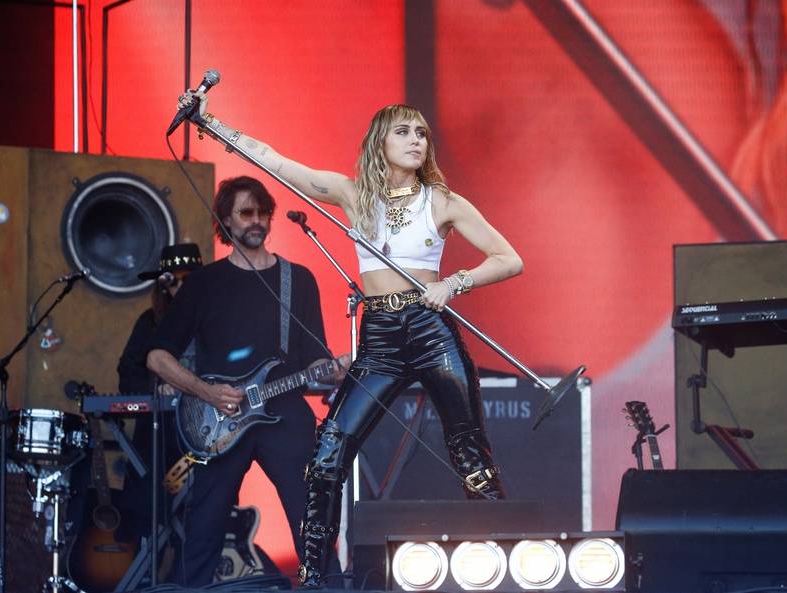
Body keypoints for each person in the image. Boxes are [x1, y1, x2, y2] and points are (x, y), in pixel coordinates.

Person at [179, 93, 523, 586]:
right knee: (326, 456)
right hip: (380, 336)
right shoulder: (354, 194)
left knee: (470, 454)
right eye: (403, 132)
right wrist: (209, 123)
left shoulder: (443, 201)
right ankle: (319, 580)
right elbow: (275, 162)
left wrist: (454, 283)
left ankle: (505, 569)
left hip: (429, 331)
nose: (415, 141)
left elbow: (508, 258)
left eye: (421, 133)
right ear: (379, 143)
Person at [146, 176, 346, 587]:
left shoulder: (299, 280)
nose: (257, 221)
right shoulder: (204, 284)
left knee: (313, 524)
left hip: (285, 415)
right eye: (246, 213)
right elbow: (157, 356)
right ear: (226, 220)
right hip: (219, 420)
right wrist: (205, 391)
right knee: (202, 530)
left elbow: (316, 359)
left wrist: (338, 369)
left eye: (262, 212)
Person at [116, 242, 203, 545]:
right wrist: (157, 388)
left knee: (201, 511)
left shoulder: (213, 320)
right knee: (147, 504)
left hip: (204, 433)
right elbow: (128, 374)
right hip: (159, 436)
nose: (179, 286)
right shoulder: (149, 321)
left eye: (187, 279)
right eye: (171, 280)